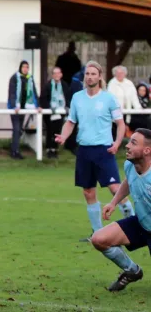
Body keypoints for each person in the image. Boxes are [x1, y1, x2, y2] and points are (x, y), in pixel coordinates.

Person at [55, 61, 135, 242]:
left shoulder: (108, 98)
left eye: (93, 74)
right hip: (84, 150)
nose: (90, 76)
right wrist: (63, 137)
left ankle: (131, 223)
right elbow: (71, 121)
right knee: (88, 192)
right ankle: (97, 232)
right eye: (87, 74)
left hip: (103, 150)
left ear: (99, 77)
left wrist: (116, 143)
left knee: (115, 188)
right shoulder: (77, 98)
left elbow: (120, 124)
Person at [90, 129, 151, 292]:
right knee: (98, 239)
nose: (127, 146)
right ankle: (132, 270)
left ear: (147, 150)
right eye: (129, 141)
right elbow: (128, 181)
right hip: (142, 223)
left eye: (133, 143)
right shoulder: (129, 165)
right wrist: (113, 202)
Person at [7, 60, 40, 160]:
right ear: (20, 68)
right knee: (16, 129)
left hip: (25, 108)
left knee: (19, 130)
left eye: (27, 67)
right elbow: (12, 93)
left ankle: (15, 148)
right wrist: (14, 106)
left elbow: (34, 92)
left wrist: (37, 105)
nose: (25, 69)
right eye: (24, 67)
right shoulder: (14, 78)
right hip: (15, 109)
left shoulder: (30, 78)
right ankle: (14, 151)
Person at [40, 67, 71, 159]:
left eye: (58, 73)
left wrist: (67, 107)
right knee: (50, 131)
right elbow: (43, 98)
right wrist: (49, 108)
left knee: (57, 131)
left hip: (60, 112)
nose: (57, 75)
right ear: (52, 75)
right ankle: (49, 149)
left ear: (61, 74)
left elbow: (68, 98)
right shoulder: (47, 86)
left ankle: (55, 150)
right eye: (55, 73)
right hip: (49, 113)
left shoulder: (65, 85)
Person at [108, 66, 141, 130]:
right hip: (116, 113)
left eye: (121, 73)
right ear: (115, 74)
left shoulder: (129, 83)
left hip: (128, 111)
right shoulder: (112, 83)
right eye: (118, 73)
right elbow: (110, 99)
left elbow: (134, 97)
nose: (119, 74)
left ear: (125, 74)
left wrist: (138, 108)